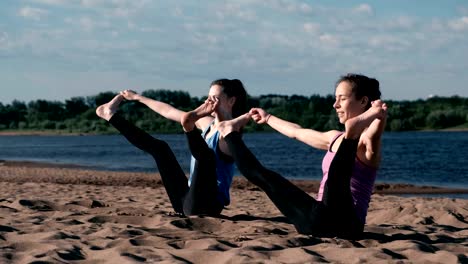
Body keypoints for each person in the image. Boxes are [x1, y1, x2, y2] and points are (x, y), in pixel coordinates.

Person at [215, 74, 387, 239]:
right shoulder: (334, 138)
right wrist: (267, 118)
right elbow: (296, 132)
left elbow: (373, 134)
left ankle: (354, 130)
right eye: (335, 99)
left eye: (342, 99)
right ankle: (229, 134)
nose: (335, 105)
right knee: (264, 177)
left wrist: (377, 116)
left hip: (347, 224)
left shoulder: (367, 143)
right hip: (317, 222)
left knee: (337, 176)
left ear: (363, 101)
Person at [95, 79, 248, 216]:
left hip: (209, 205)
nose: (209, 103)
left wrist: (207, 114)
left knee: (205, 156)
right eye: (208, 98)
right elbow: (168, 111)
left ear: (231, 101)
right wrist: (138, 98)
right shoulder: (207, 123)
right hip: (186, 202)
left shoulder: (231, 133)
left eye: (215, 99)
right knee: (161, 149)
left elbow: (224, 128)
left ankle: (189, 123)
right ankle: (109, 115)